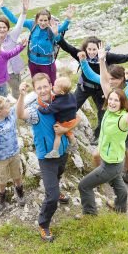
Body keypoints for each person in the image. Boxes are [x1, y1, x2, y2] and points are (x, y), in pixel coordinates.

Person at [78, 43, 128, 215]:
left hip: (113, 159)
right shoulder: (111, 104)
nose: (112, 101)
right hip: (112, 157)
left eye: (116, 100)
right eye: (111, 99)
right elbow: (102, 80)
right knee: (118, 183)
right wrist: (100, 60)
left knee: (83, 185)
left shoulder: (123, 116)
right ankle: (121, 207)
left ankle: (90, 216)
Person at [56, 35, 128, 142]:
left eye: (95, 49)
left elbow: (125, 57)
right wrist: (58, 36)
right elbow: (67, 47)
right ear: (85, 48)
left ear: (100, 49)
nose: (92, 52)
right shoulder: (82, 55)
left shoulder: (107, 58)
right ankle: (64, 126)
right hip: (84, 87)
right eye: (89, 49)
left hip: (101, 89)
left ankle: (98, 136)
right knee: (72, 107)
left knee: (102, 112)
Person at [16, 74, 80, 242]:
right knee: (51, 196)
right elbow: (20, 114)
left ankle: (56, 191)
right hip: (47, 157)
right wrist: (22, 95)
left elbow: (76, 118)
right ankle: (43, 224)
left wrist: (65, 131)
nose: (43, 90)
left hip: (62, 151)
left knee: (59, 175)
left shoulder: (59, 100)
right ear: (35, 90)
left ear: (51, 85)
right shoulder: (36, 110)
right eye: (39, 88)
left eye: (45, 86)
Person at [78, 52, 128, 185]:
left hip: (126, 128)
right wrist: (84, 61)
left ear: (121, 79)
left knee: (110, 151)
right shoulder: (112, 88)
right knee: (125, 149)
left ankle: (103, 175)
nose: (109, 82)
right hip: (126, 127)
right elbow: (93, 76)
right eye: (108, 79)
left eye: (112, 79)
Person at [0, 0, 75, 84]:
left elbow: (62, 28)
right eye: (40, 20)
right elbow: (15, 20)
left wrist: (68, 19)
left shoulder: (52, 30)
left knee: (51, 85)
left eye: (45, 20)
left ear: (49, 21)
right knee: (36, 84)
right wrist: (2, 6)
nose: (42, 23)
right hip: (32, 63)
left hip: (47, 64)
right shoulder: (32, 25)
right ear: (37, 20)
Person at [37, 76, 78, 158]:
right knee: (69, 133)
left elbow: (47, 111)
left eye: (55, 86)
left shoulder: (58, 103)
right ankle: (74, 144)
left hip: (65, 122)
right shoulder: (71, 95)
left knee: (58, 135)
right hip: (72, 119)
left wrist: (39, 107)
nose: (53, 86)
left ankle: (55, 152)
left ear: (62, 92)